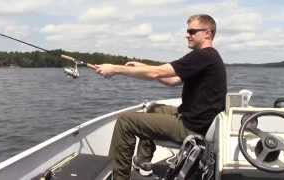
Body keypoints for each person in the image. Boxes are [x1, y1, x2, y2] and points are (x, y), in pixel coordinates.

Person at [95, 14, 227, 180]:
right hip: (194, 119)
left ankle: (119, 178)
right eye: (188, 31)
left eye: (192, 31)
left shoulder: (204, 55)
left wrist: (115, 69)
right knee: (153, 108)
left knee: (125, 121)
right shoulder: (208, 57)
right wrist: (144, 67)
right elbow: (172, 80)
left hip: (191, 127)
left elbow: (158, 72)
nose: (187, 35)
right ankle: (143, 163)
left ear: (207, 33)